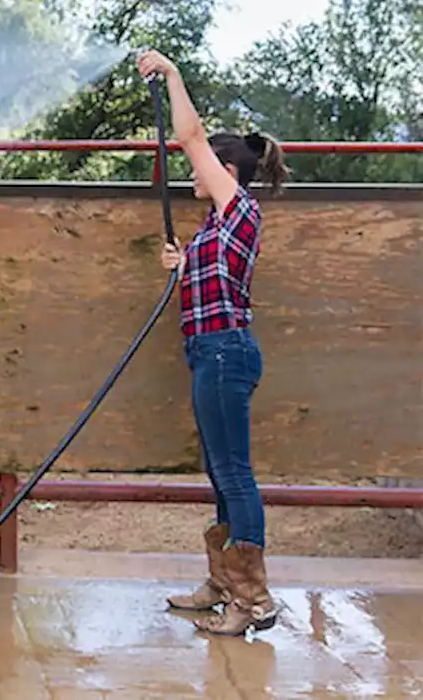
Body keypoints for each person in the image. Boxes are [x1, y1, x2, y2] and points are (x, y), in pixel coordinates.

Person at [137, 49, 291, 637]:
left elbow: (191, 133)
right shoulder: (217, 228)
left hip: (225, 353)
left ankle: (253, 602)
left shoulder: (239, 207)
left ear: (223, 169)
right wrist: (183, 266)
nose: (191, 170)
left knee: (235, 475)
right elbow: (215, 280)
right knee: (220, 474)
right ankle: (225, 584)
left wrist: (172, 75)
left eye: (200, 165)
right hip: (211, 352)